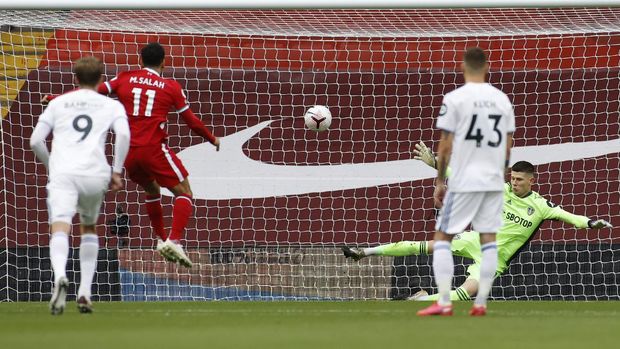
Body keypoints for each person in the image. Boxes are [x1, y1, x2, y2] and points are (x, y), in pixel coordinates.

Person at [342, 142, 613, 303]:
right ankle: (364, 252)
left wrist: (590, 223)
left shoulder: (540, 206)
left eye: (519, 180)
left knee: (462, 294)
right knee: (423, 246)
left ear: (532, 180)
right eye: (512, 178)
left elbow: (570, 217)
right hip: (474, 238)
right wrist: (434, 163)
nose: (514, 183)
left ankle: (422, 298)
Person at [44, 42, 220, 268]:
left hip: (129, 152)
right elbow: (191, 121)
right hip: (154, 148)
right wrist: (211, 138)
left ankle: (160, 238)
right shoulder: (170, 86)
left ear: (140, 61)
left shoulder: (124, 78)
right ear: (164, 62)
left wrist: (55, 99)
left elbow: (90, 92)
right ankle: (174, 240)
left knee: (152, 189)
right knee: (184, 191)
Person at [414, 47, 515, 316]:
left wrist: (439, 181)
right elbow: (507, 145)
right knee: (489, 239)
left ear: (462, 67)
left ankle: (444, 302)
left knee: (443, 239)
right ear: (487, 68)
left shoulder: (455, 98)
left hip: (466, 178)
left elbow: (445, 145)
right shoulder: (502, 100)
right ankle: (480, 302)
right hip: (493, 180)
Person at [30, 56, 130, 315]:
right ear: (101, 79)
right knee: (89, 227)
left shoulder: (58, 103)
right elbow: (124, 134)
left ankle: (60, 275)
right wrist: (116, 171)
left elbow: (35, 141)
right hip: (94, 174)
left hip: (64, 173)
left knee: (60, 227)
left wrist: (51, 167)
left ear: (75, 78)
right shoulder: (110, 105)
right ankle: (84, 291)